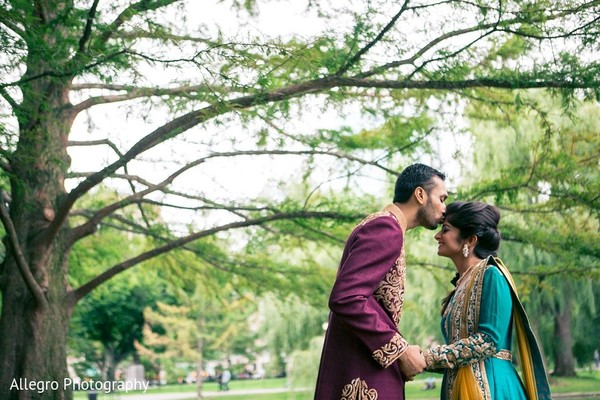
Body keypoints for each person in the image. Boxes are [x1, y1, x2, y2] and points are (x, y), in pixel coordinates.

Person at [314, 163, 448, 399]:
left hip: (362, 363)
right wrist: (400, 351)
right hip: (361, 373)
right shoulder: (386, 228)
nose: (444, 208)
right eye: (441, 198)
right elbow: (346, 297)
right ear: (420, 195)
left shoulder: (384, 225)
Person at [422, 201, 551, 400]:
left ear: (470, 239)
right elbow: (458, 350)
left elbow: (487, 342)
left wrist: (428, 358)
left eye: (445, 229)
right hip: (457, 387)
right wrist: (420, 361)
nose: (437, 235)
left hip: (491, 387)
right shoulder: (461, 285)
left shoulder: (492, 275)